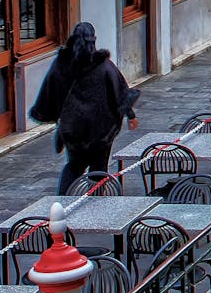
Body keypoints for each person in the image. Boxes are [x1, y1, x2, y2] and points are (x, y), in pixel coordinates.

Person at [30, 22, 140, 195]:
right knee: (98, 169)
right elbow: (120, 93)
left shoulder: (61, 66)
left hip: (73, 131)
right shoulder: (104, 67)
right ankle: (95, 207)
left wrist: (54, 116)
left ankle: (64, 203)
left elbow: (49, 92)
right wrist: (130, 115)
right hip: (101, 132)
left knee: (74, 166)